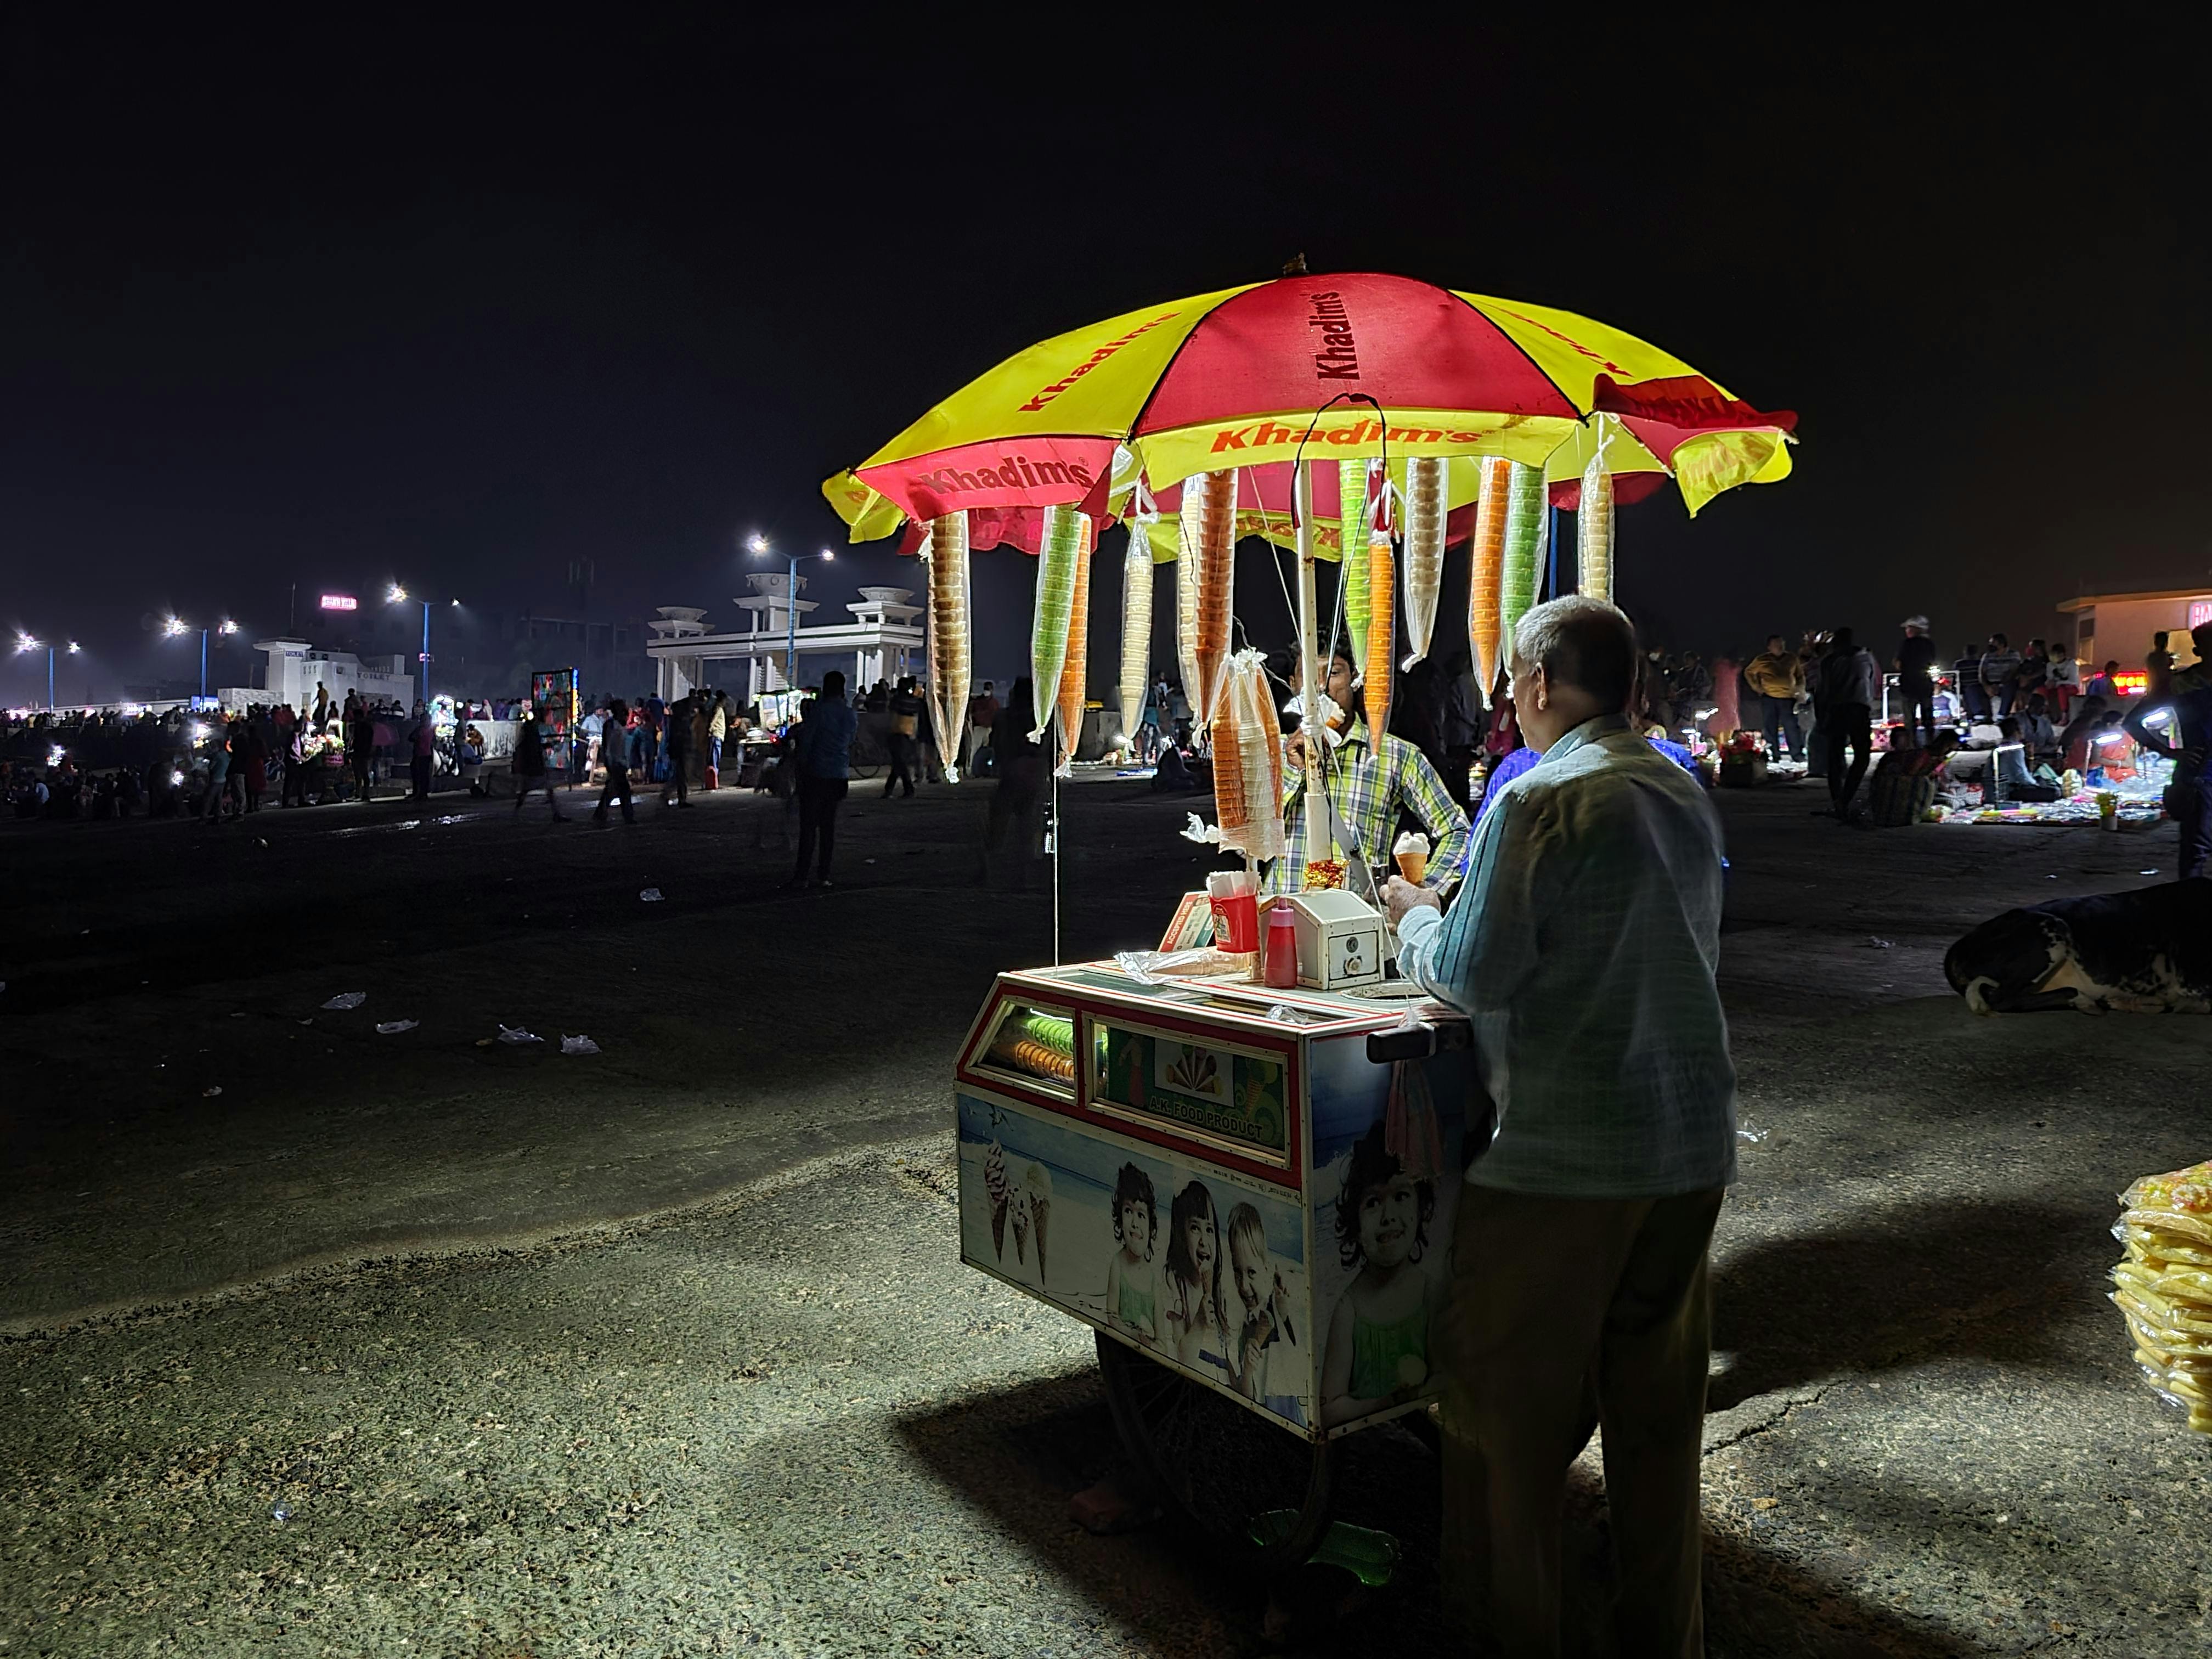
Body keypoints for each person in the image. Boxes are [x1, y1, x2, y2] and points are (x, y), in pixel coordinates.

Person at [1383, 595, 1734, 1658]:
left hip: (1565, 1163)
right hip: (1688, 1147)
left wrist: (1415, 921)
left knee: (1499, 1430)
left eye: (1513, 687)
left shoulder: (1538, 802)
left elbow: (1471, 975)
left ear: (1537, 684)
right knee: (1657, 1427)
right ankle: (1661, 1635)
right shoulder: (1680, 785)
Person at [1274, 643, 1473, 896]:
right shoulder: (1274, 752)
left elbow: (1458, 831)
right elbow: (1245, 840)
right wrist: (1295, 771)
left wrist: (1423, 893)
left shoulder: (1393, 755)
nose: (1320, 686)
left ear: (1355, 678)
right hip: (1280, 918)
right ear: (1294, 684)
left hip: (1354, 924)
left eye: (1333, 673)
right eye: (1308, 674)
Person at [2125, 620, 2212, 878]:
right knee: (2197, 847)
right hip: (2198, 775)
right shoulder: (2180, 685)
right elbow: (2133, 722)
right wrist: (2171, 752)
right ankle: (2189, 907)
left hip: (2196, 773)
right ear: (2198, 652)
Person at [788, 668, 855, 889]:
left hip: (816, 774)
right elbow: (851, 741)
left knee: (808, 827)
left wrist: (799, 768)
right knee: (828, 827)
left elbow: (807, 743)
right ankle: (824, 874)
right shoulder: (849, 714)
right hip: (838, 774)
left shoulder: (819, 711)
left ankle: (802, 875)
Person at [1814, 627, 1878, 821]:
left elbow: (1822, 692)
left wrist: (1821, 717)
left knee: (1835, 758)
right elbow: (1873, 683)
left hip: (1838, 711)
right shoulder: (1866, 658)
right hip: (1859, 709)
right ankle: (1844, 799)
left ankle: (1840, 802)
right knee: (1861, 757)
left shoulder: (1831, 662)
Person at [1743, 634, 1804, 763]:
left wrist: (1799, 690)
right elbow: (1749, 672)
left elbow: (1800, 676)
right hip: (1769, 697)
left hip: (1788, 698)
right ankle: (1774, 754)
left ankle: (1796, 754)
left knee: (1791, 727)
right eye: (1776, 645)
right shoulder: (1762, 660)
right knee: (1770, 727)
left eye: (1782, 644)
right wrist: (1757, 687)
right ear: (1770, 647)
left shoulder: (1792, 658)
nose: (1780, 647)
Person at [512, 703, 566, 821]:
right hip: (534, 765)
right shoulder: (531, 728)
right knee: (528, 791)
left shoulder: (531, 728)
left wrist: (548, 745)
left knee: (532, 791)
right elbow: (533, 747)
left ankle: (516, 814)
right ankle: (516, 814)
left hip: (533, 764)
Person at [1894, 616, 1939, 748]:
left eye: (1909, 628)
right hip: (1925, 685)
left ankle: (1912, 746)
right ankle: (1931, 745)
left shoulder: (1907, 644)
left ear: (1916, 629)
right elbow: (1932, 662)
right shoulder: (1929, 644)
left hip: (1909, 686)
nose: (1907, 631)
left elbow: (1898, 663)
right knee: (1928, 719)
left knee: (1910, 720)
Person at [593, 698, 637, 826]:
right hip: (615, 762)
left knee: (612, 789)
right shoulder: (611, 725)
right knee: (623, 790)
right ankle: (627, 816)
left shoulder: (619, 724)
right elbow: (609, 745)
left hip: (619, 761)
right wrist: (610, 761)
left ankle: (601, 813)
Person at [885, 675, 923, 798]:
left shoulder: (896, 700)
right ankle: (890, 790)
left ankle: (907, 789)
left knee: (899, 763)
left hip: (896, 733)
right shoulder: (914, 702)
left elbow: (892, 716)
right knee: (899, 763)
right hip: (909, 734)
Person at [1980, 632, 2022, 718]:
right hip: (1990, 684)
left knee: (2010, 687)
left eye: (1993, 643)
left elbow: (2013, 672)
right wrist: (1986, 686)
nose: (1990, 645)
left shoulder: (2013, 654)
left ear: (2002, 644)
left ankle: (2002, 715)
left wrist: (1999, 686)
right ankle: (1981, 716)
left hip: (2006, 683)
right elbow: (1982, 672)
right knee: (1972, 690)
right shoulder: (1987, 656)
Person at [661, 691, 692, 807]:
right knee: (680, 776)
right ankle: (678, 798)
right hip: (680, 751)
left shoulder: (674, 721)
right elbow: (680, 738)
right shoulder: (679, 722)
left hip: (678, 751)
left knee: (679, 776)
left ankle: (677, 797)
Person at [966, 679, 1000, 772]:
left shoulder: (994, 703)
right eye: (986, 689)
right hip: (979, 728)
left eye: (988, 689)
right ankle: (970, 769)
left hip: (989, 729)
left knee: (987, 750)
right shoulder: (979, 701)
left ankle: (985, 769)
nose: (987, 691)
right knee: (974, 749)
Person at [407, 700, 435, 802]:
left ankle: (419, 793)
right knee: (424, 775)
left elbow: (411, 738)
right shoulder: (431, 730)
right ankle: (422, 793)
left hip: (420, 754)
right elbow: (434, 742)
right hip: (426, 755)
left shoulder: (420, 730)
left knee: (418, 774)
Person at [706, 690, 729, 789]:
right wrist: (710, 730)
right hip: (716, 735)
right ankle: (713, 781)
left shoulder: (718, 708)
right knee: (715, 758)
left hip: (717, 735)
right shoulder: (718, 709)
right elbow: (713, 721)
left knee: (715, 757)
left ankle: (713, 781)